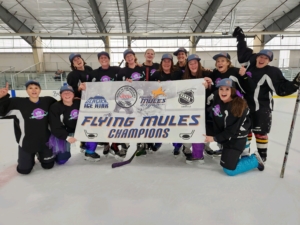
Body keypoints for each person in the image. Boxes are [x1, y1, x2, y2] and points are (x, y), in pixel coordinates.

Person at [232, 26, 300, 162]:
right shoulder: (251, 62)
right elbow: (243, 52)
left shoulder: (272, 71)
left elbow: (281, 88)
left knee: (260, 133)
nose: (262, 60)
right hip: (245, 106)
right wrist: (240, 37)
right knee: (245, 131)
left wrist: (295, 83)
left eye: (266, 58)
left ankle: (262, 156)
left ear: (269, 61)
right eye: (260, 57)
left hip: (261, 108)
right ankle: (245, 154)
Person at [204, 78, 265, 176]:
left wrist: (214, 138)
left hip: (236, 137)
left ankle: (254, 160)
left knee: (229, 170)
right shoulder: (217, 97)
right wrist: (207, 86)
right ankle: (242, 150)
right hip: (226, 134)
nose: (223, 92)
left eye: (227, 89)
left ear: (232, 90)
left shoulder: (238, 106)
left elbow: (231, 131)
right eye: (221, 89)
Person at [0, 81, 56, 174]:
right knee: (24, 170)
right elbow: (1, 113)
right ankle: (28, 157)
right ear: (26, 91)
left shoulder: (48, 101)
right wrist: (2, 98)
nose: (33, 90)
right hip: (27, 143)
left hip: (45, 142)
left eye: (36, 88)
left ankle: (40, 154)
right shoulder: (17, 103)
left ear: (40, 90)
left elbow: (61, 106)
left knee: (48, 165)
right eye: (30, 88)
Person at [205, 52, 253, 157]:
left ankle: (245, 149)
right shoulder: (215, 73)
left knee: (237, 128)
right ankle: (224, 148)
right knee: (223, 125)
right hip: (222, 105)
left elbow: (249, 87)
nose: (219, 63)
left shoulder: (236, 72)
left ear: (228, 62)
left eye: (222, 60)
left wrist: (244, 76)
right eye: (218, 61)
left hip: (236, 106)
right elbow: (213, 89)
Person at [90, 51, 128, 158]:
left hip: (115, 102)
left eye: (105, 57)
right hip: (102, 103)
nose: (103, 59)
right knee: (104, 124)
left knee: (115, 124)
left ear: (109, 59)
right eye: (101, 58)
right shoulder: (95, 72)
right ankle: (106, 143)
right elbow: (90, 86)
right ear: (99, 60)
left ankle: (115, 145)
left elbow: (128, 70)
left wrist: (138, 64)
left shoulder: (116, 69)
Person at [66, 53, 100, 161]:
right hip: (81, 103)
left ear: (82, 59)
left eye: (78, 58)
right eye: (74, 60)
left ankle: (84, 144)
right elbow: (70, 92)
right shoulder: (72, 75)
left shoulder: (89, 69)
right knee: (90, 124)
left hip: (93, 101)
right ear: (73, 64)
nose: (77, 60)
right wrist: (79, 89)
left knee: (89, 124)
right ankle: (89, 151)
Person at [181, 54, 212, 163]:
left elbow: (215, 90)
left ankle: (203, 148)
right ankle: (187, 147)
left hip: (205, 109)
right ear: (187, 65)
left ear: (198, 64)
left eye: (195, 63)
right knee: (189, 130)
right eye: (190, 63)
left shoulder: (207, 74)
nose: (193, 65)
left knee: (205, 129)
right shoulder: (184, 77)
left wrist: (209, 85)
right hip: (189, 110)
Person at [48, 85, 81, 164]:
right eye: (64, 93)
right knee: (62, 160)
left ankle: (87, 148)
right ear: (60, 95)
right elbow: (55, 126)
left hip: (79, 130)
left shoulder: (79, 103)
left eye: (69, 92)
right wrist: (67, 137)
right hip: (64, 132)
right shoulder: (55, 107)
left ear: (73, 95)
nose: (67, 94)